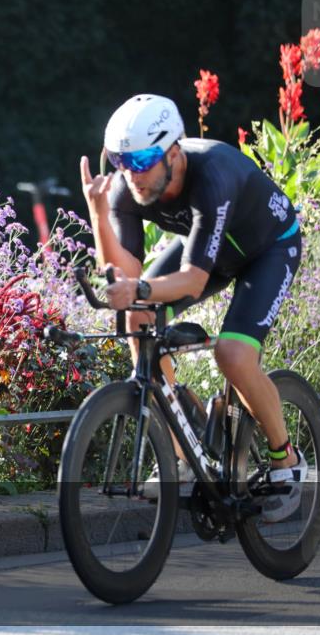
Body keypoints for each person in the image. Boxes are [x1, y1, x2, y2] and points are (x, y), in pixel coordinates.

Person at [79, 93, 307, 522]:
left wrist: (140, 286)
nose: (132, 174)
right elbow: (123, 273)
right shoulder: (127, 187)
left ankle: (286, 460)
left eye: (144, 159)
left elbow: (195, 279)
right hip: (212, 251)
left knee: (233, 354)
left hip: (269, 248)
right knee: (138, 315)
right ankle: (184, 454)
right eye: (120, 160)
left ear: (174, 151)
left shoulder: (212, 174)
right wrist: (97, 214)